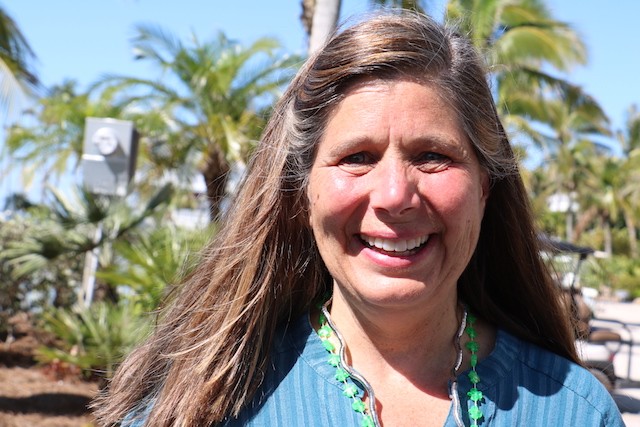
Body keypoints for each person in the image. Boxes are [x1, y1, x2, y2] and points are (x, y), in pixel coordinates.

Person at [94, 11, 624, 427]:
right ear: (302, 192)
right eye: (357, 158)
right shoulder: (196, 407)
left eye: (432, 156)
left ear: (484, 187)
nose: (394, 196)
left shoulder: (573, 411)